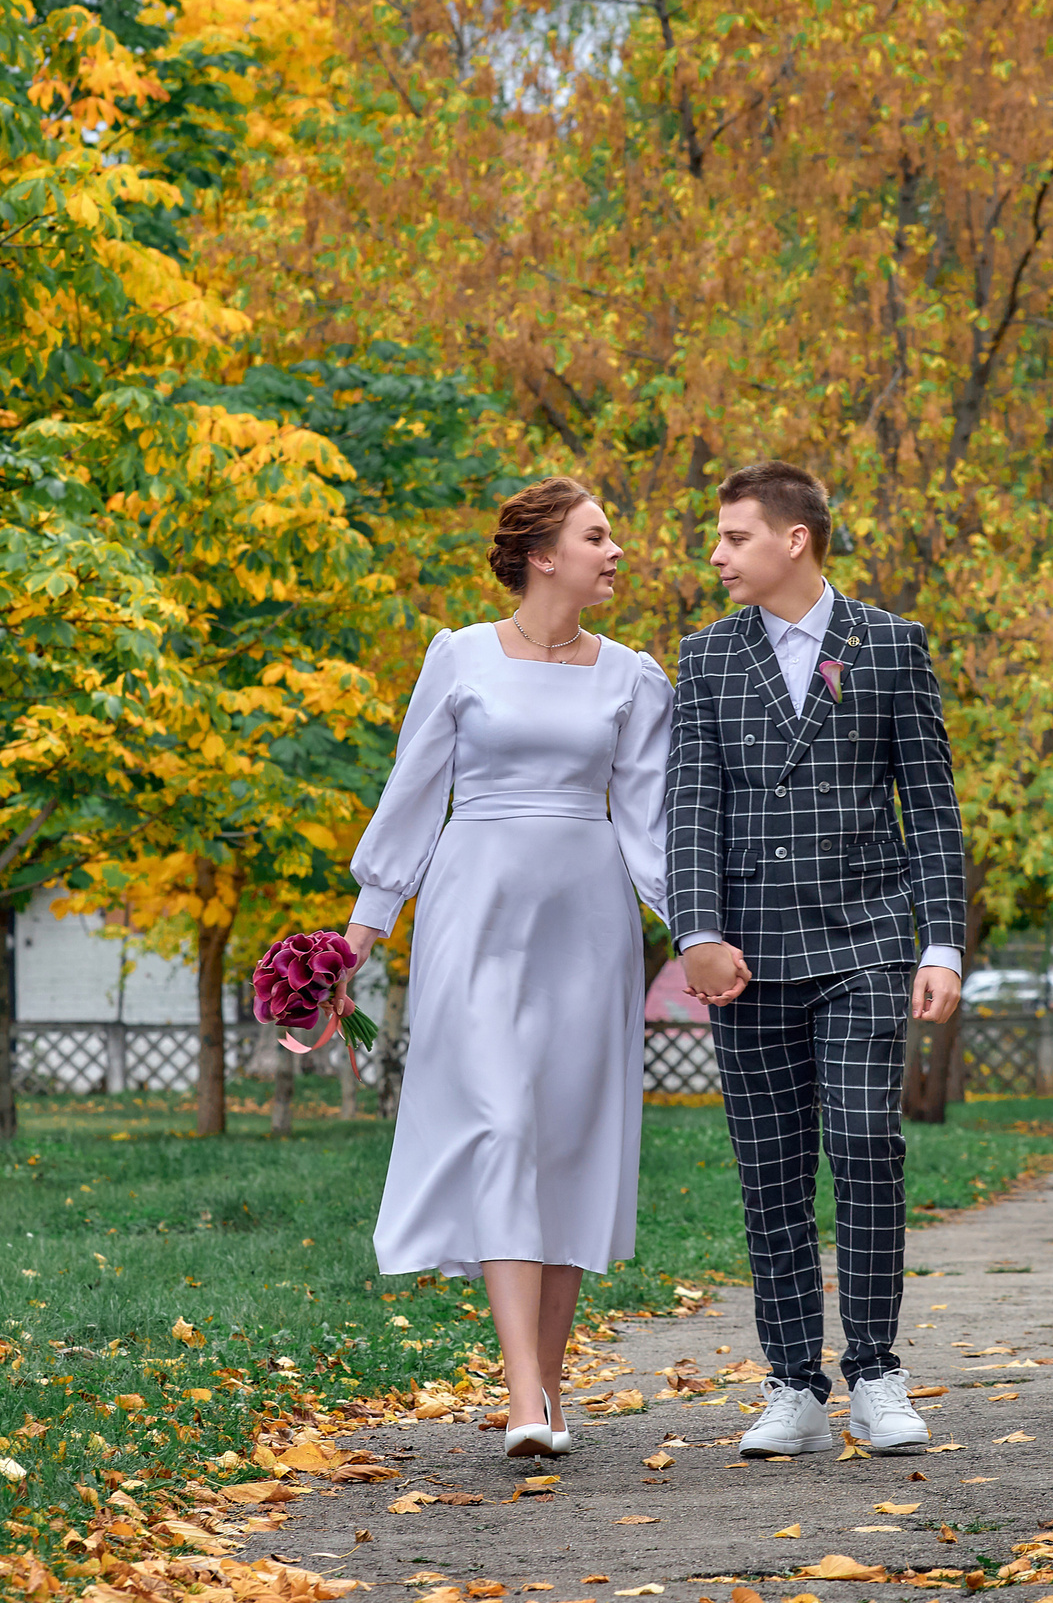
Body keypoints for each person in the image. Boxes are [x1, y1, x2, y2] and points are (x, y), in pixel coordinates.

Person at [336, 477, 672, 1460]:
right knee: (497, 1123)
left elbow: (649, 826)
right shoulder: (460, 658)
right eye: (597, 536)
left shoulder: (632, 677)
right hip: (473, 907)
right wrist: (365, 925)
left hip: (588, 919)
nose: (616, 553)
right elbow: (412, 792)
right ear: (542, 552)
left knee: (563, 1144)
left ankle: (550, 1388)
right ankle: (523, 1391)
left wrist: (698, 931)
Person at [666, 459, 966, 1458]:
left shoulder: (888, 644)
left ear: (794, 539)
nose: (717, 556)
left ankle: (875, 1369)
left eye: (733, 537)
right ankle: (790, 1382)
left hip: (866, 939)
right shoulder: (706, 658)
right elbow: (692, 810)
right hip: (747, 954)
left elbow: (930, 806)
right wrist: (696, 935)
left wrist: (941, 941)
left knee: (866, 1144)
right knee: (769, 1169)